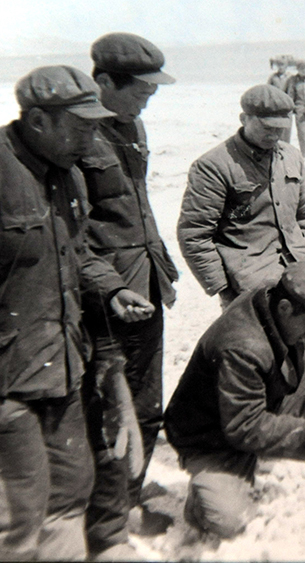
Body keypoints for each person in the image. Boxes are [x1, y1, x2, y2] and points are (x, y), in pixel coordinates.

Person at [0, 65, 154, 560]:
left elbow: (78, 252)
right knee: (18, 513)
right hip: (8, 382)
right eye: (81, 127)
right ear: (38, 120)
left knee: (70, 491)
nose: (91, 141)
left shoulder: (68, 177)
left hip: (62, 367)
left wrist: (112, 289)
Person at [163, 262, 305, 539]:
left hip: (256, 403)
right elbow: (245, 427)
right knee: (230, 520)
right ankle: (203, 498)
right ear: (286, 309)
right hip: (214, 437)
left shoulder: (272, 296)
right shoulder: (242, 347)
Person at [76, 32, 179, 559]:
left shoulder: (131, 125)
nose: (147, 101)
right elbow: (75, 234)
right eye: (140, 91)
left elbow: (136, 205)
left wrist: (160, 268)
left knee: (146, 405)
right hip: (104, 296)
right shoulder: (77, 136)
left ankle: (127, 500)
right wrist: (110, 286)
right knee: (110, 410)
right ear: (103, 83)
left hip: (143, 284)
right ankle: (105, 526)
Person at [178, 83, 305, 309]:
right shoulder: (213, 166)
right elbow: (194, 235)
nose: (275, 135)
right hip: (251, 283)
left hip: (303, 269)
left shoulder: (292, 156)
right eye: (267, 128)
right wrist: (224, 290)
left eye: (280, 128)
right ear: (244, 119)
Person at [267, 62, 292, 143]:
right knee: (277, 128)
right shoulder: (273, 77)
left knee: (287, 129)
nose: (281, 67)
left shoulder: (290, 77)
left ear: (286, 66)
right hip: (276, 107)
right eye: (279, 65)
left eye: (282, 65)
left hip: (287, 107)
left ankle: (286, 147)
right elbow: (268, 91)